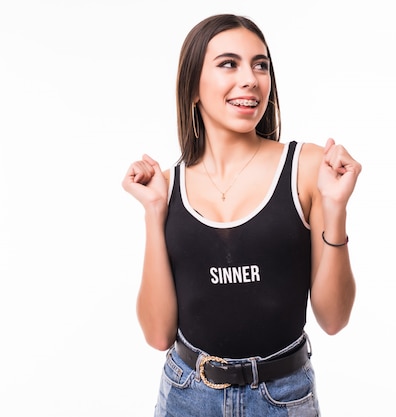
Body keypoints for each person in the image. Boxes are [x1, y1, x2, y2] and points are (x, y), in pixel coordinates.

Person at [121, 13, 362, 417]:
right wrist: (153, 213)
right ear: (193, 87)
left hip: (282, 398)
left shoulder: (307, 169)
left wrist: (335, 207)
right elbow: (158, 333)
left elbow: (333, 318)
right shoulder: (166, 187)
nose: (251, 78)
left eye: (261, 64)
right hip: (186, 395)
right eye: (228, 64)